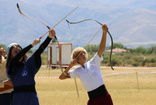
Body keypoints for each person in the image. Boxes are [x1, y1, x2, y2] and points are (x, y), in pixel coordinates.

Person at [59, 24, 113, 105]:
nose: (83, 54)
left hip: (104, 97)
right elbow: (61, 77)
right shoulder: (77, 71)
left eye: (84, 53)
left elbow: (101, 49)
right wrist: (70, 66)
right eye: (80, 54)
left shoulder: (94, 62)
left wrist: (104, 33)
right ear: (76, 59)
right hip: (93, 100)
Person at [6, 28, 56, 105]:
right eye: (15, 52)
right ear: (10, 56)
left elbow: (39, 51)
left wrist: (49, 37)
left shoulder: (28, 63)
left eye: (19, 51)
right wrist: (31, 45)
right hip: (18, 99)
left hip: (32, 98)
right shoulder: (11, 66)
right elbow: (17, 58)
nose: (19, 53)